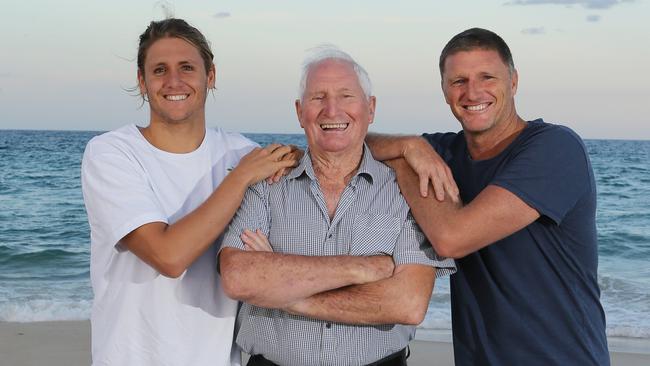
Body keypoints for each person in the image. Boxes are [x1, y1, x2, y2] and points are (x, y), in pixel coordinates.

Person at [367, 28, 610, 365]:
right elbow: (352, 144)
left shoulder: (555, 148)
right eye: (459, 81)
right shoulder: (443, 152)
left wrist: (406, 161)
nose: (472, 92)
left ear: (513, 82)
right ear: (444, 91)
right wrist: (407, 145)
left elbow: (452, 239)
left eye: (487, 77)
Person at [218, 46, 456, 366]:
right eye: (318, 97)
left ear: (370, 109)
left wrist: (281, 291)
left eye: (346, 96)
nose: (332, 110)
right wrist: (366, 267)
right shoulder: (266, 184)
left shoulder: (406, 190)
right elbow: (238, 279)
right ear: (300, 111)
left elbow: (407, 304)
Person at [81, 18, 296, 366]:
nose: (174, 81)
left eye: (186, 68)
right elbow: (168, 256)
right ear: (142, 82)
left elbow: (329, 156)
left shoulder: (241, 153)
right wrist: (239, 178)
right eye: (159, 70)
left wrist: (408, 147)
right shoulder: (111, 153)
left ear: (210, 77)